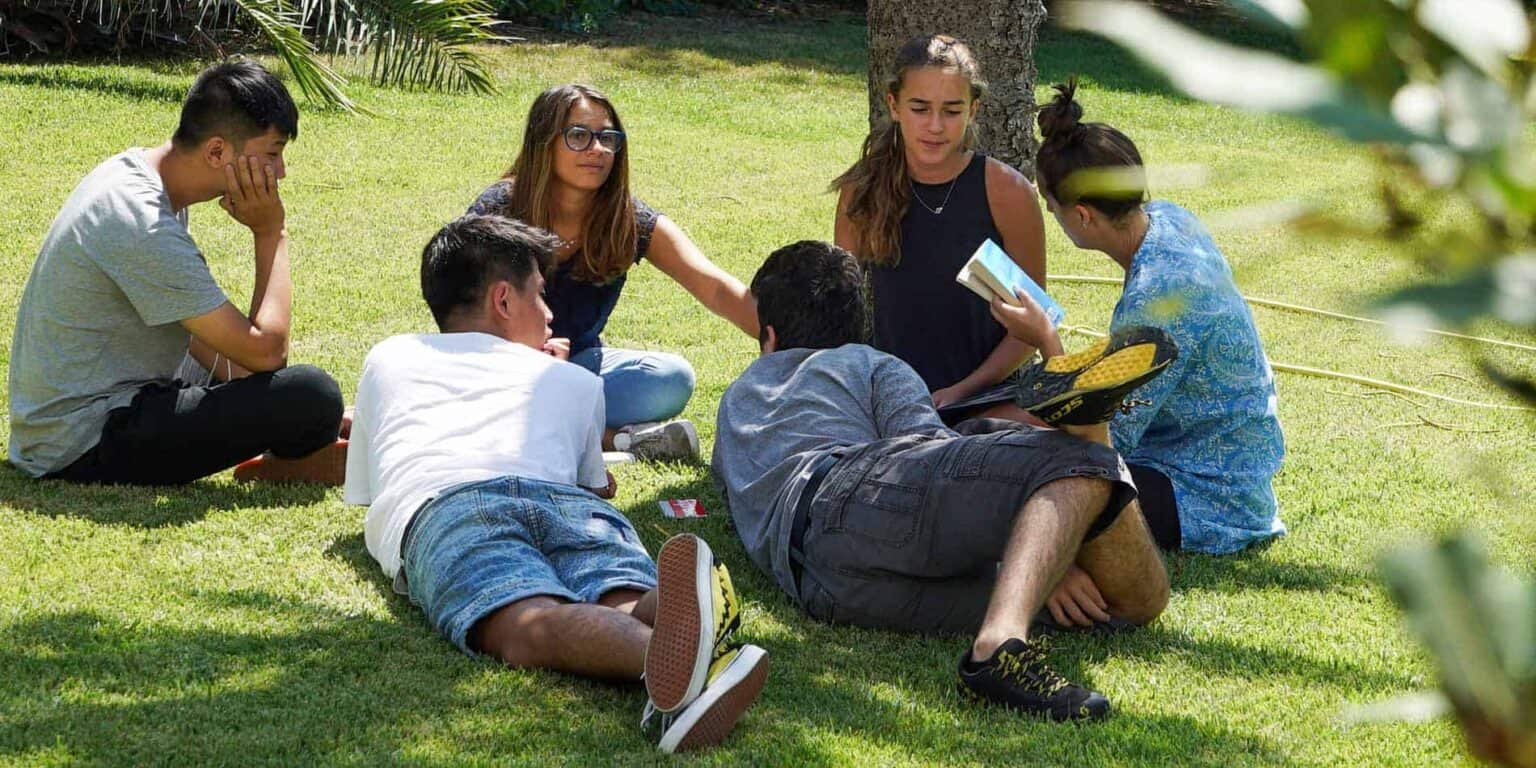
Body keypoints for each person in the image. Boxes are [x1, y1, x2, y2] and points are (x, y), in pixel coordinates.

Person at [345, 215, 768, 753]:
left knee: (528, 622)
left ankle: (674, 656)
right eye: (540, 297)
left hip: (448, 500)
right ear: (503, 301)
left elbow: (369, 484)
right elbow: (592, 489)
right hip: (568, 503)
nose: (549, 315)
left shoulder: (391, 357)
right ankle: (677, 620)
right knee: (617, 594)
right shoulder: (572, 382)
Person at [712, 240, 1171, 721]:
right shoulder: (867, 362)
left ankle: (1049, 536)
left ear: (768, 337)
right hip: (847, 491)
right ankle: (997, 647)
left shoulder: (737, 400)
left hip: (824, 587)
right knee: (1083, 459)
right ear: (858, 327)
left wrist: (1043, 558)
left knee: (1120, 607)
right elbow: (929, 450)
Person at [7, 59, 344, 485]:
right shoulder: (142, 221)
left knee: (299, 397)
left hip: (103, 410)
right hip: (80, 440)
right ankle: (292, 459)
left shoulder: (140, 177)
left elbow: (219, 346)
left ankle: (303, 440)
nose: (280, 172)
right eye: (273, 154)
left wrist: (264, 396)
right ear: (218, 151)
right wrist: (270, 233)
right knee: (311, 394)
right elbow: (267, 351)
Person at [1032, 78, 1286, 555]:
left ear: (1082, 216)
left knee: (1039, 480)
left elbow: (1101, 441)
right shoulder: (1170, 218)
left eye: (1051, 206)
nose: (1052, 215)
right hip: (1229, 471)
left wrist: (1046, 340)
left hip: (1208, 495)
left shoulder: (1158, 298)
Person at [467, 84, 759, 460]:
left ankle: (556, 423)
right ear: (545, 142)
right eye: (578, 136)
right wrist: (525, 357)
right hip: (498, 369)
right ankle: (613, 439)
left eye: (608, 138)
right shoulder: (500, 209)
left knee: (670, 379)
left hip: (579, 368)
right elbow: (459, 302)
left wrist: (787, 341)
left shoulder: (627, 219)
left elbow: (714, 287)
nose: (598, 149)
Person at [832, 34, 1048, 422]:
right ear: (894, 105)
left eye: (951, 111)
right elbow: (840, 310)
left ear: (973, 109)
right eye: (920, 108)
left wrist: (962, 392)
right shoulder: (861, 190)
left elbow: (1031, 328)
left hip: (990, 398)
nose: (935, 126)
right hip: (892, 399)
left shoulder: (1007, 191)